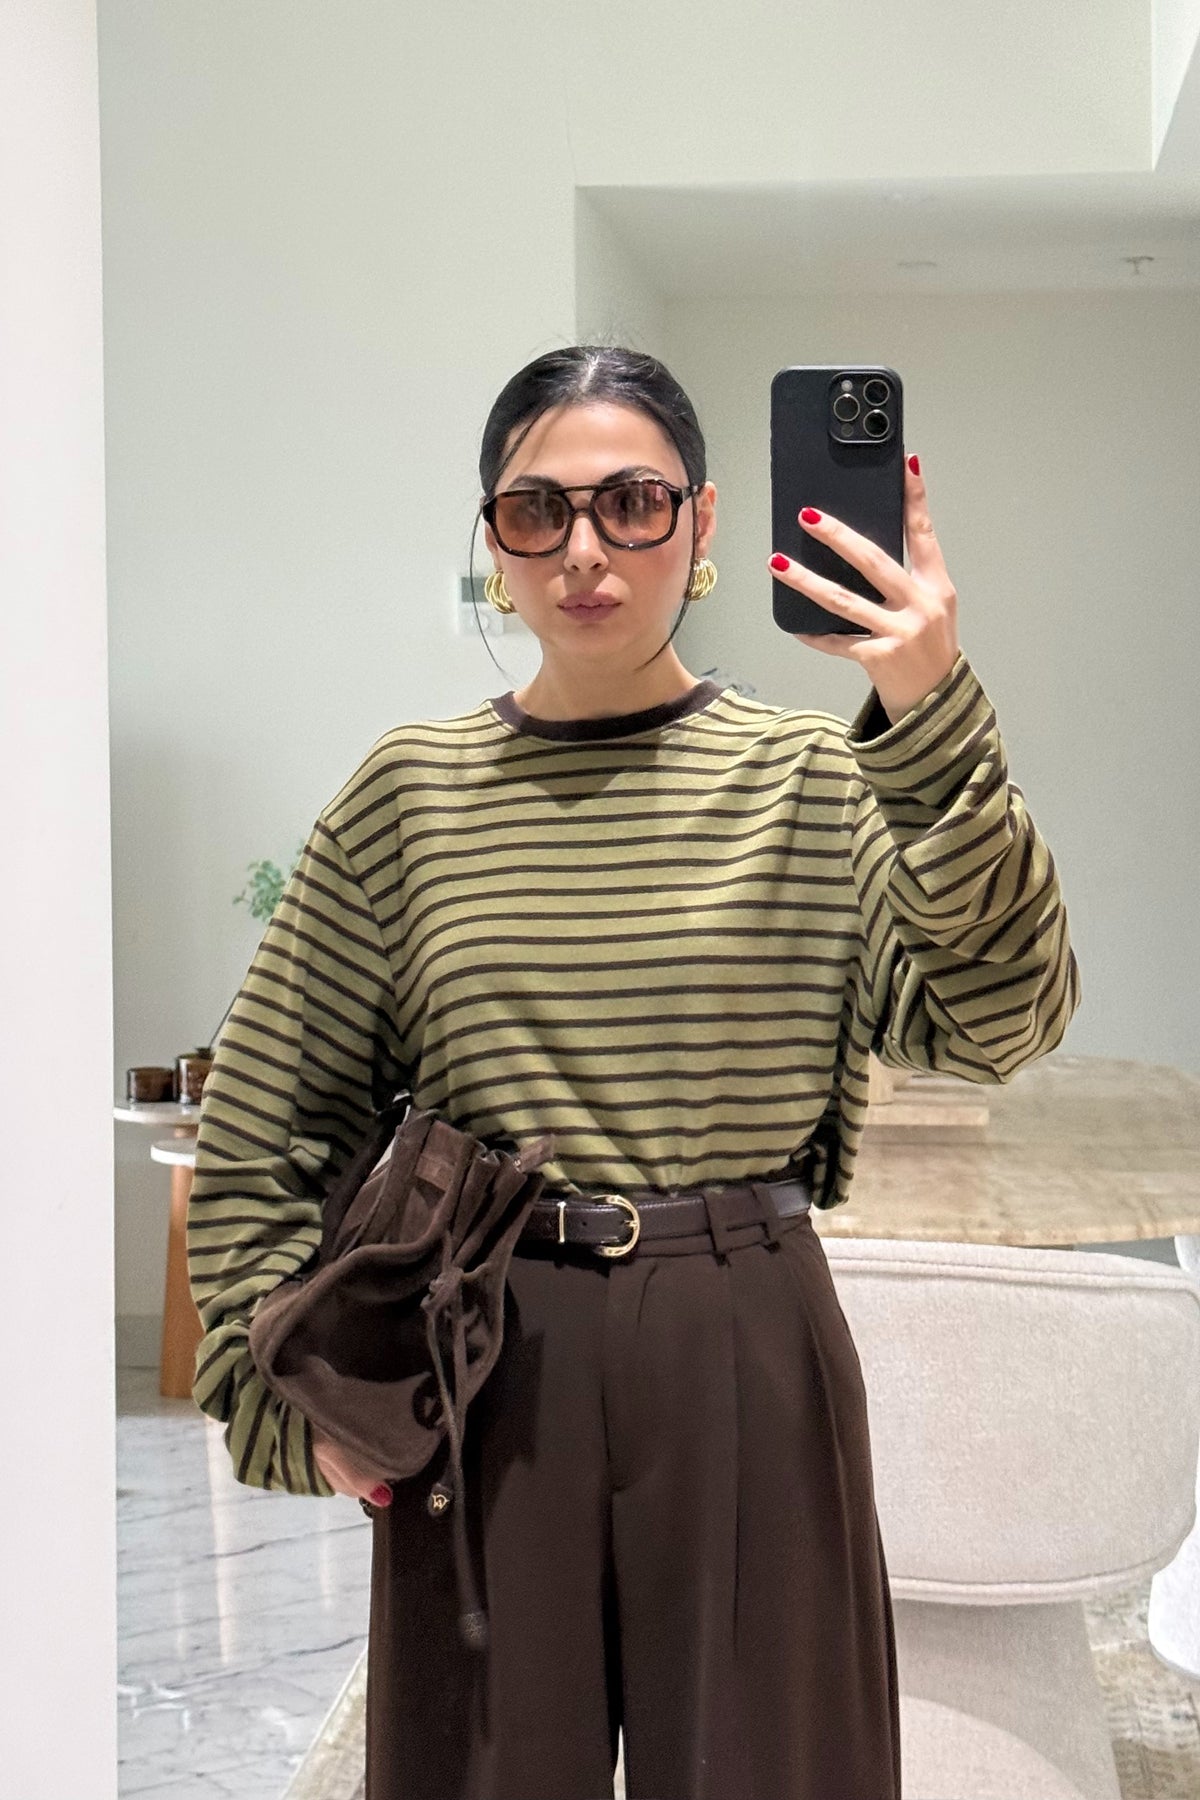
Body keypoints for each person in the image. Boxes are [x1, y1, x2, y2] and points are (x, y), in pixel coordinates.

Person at [188, 344, 1080, 1800]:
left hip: (746, 1337)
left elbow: (1000, 1020)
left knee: (774, 1773)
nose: (584, 550)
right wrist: (282, 1398)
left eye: (633, 502)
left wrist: (929, 719)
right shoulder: (408, 798)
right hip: (483, 1350)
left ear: (705, 522)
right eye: (536, 510)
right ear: (494, 539)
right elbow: (269, 1120)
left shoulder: (814, 779)